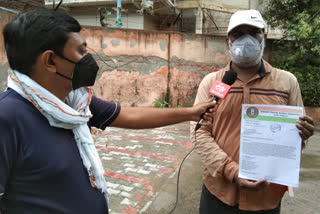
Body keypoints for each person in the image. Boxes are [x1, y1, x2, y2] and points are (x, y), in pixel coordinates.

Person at [0, 8, 215, 214]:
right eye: (81, 51)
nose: (89, 58)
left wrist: (191, 113)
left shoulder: (75, 104)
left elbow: (129, 115)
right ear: (50, 60)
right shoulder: (8, 117)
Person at [191, 9, 315, 214]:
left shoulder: (287, 82)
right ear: (228, 41)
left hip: (266, 197)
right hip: (219, 193)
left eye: (253, 32)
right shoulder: (212, 82)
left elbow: (295, 137)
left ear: (263, 38)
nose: (246, 39)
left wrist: (302, 134)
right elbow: (199, 132)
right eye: (238, 34)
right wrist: (231, 170)